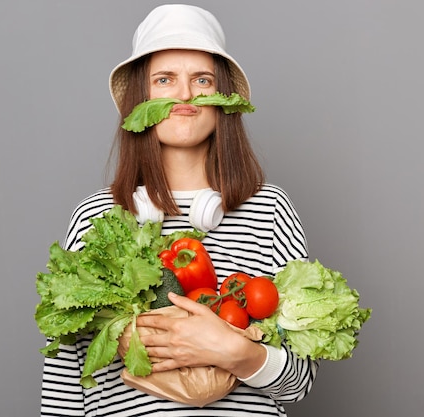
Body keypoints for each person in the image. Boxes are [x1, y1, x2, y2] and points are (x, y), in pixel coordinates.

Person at [41, 4, 318, 416]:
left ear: (224, 100)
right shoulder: (96, 214)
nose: (185, 95)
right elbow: (65, 379)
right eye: (164, 80)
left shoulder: (269, 208)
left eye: (201, 80)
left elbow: (298, 385)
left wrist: (233, 351)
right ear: (141, 100)